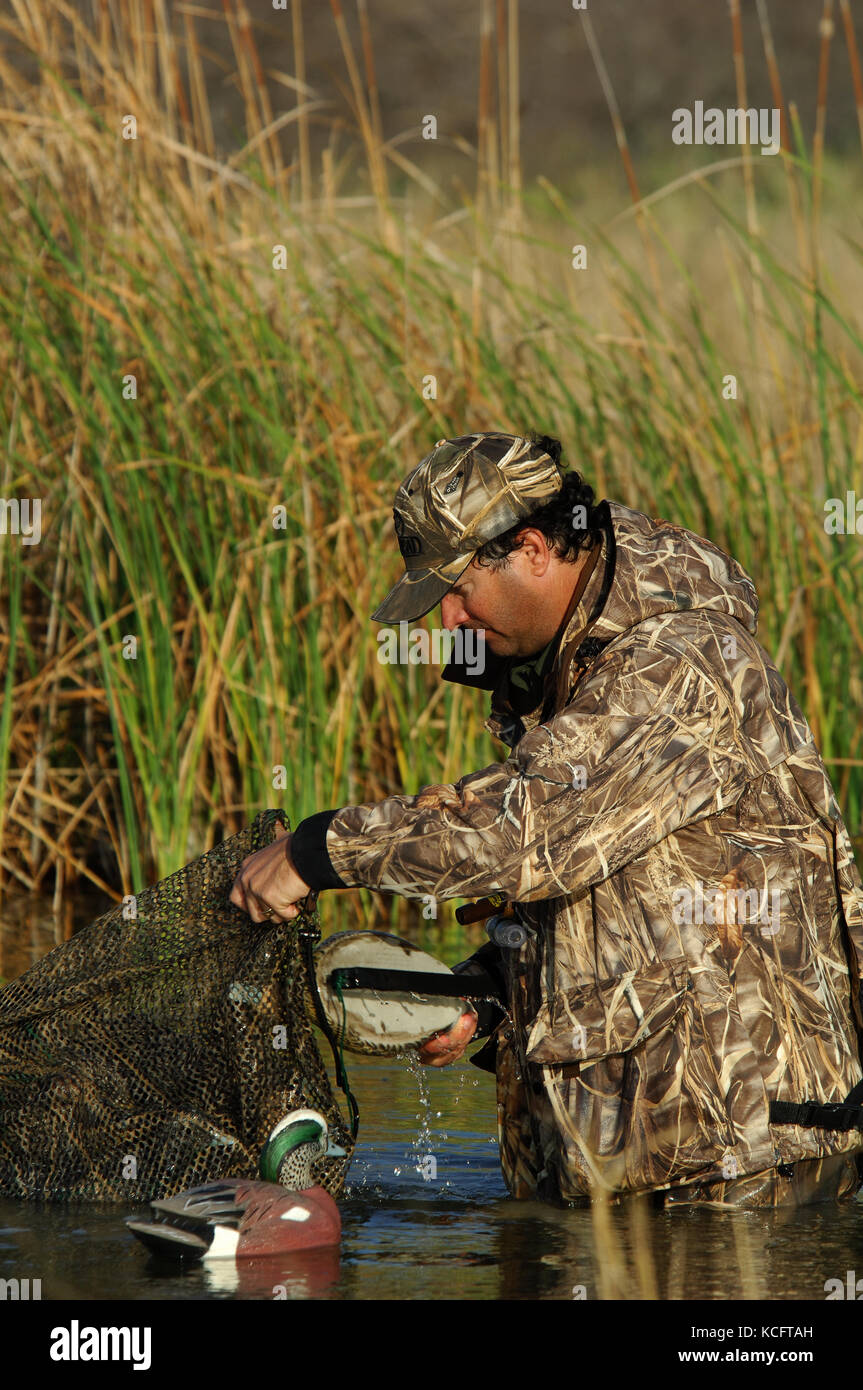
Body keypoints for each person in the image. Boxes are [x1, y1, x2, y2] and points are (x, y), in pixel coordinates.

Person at [230, 431, 863, 1207]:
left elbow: (523, 832)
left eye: (457, 590)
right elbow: (633, 900)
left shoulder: (679, 664)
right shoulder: (573, 672)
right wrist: (489, 995)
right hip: (638, 1168)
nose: (450, 621)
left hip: (736, 1174)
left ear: (531, 548)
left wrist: (316, 849)